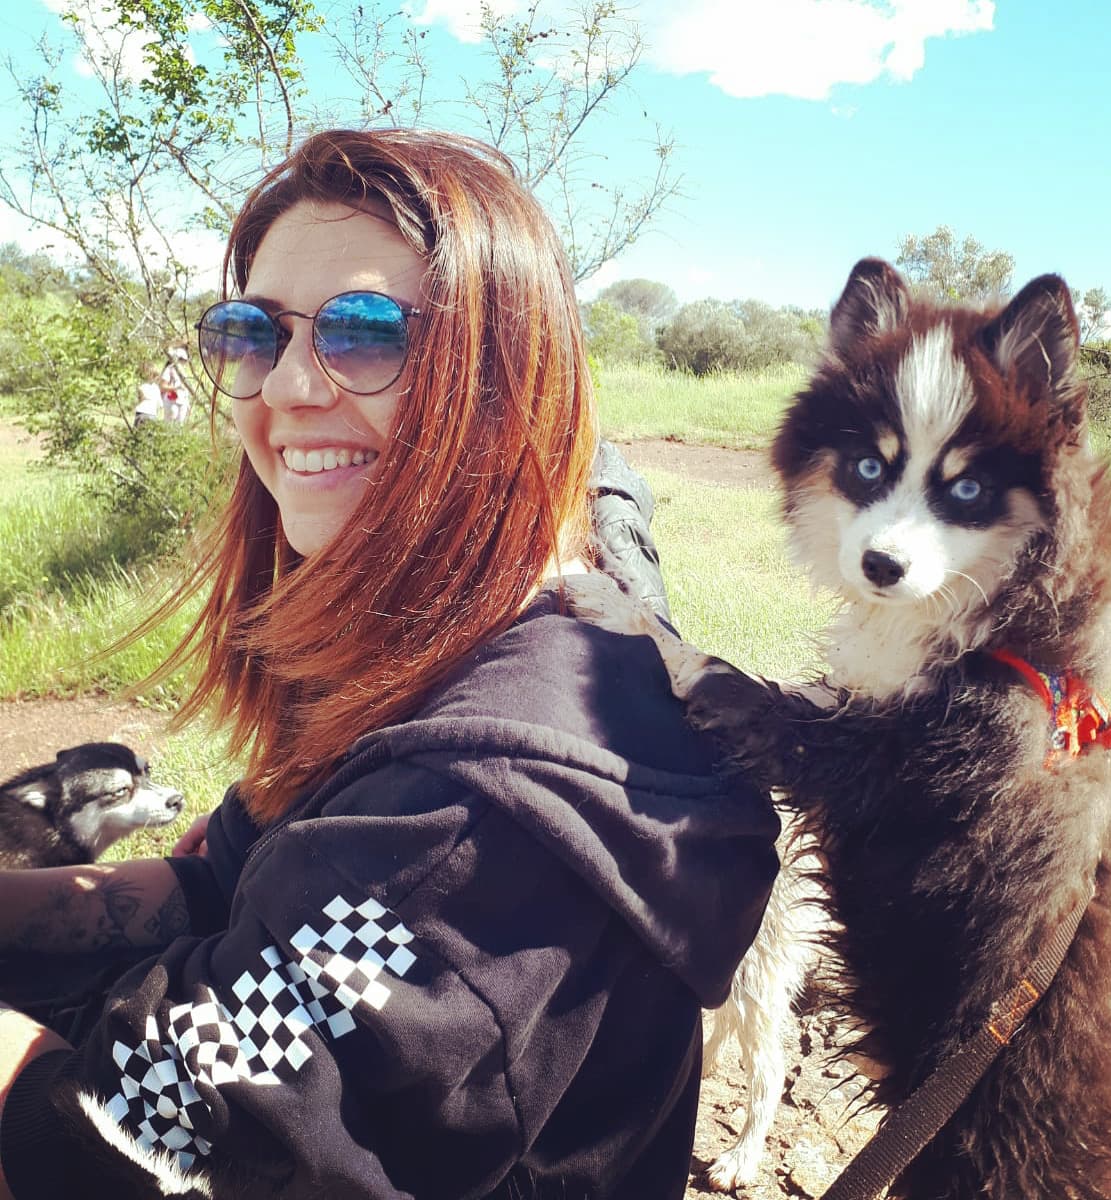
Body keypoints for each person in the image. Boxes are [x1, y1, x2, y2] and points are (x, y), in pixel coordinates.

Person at [0, 128, 779, 1200]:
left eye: (366, 333)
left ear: (505, 378)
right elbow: (223, 879)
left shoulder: (475, 817)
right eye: (252, 332)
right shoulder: (428, 646)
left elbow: (122, 1142)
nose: (287, 385)